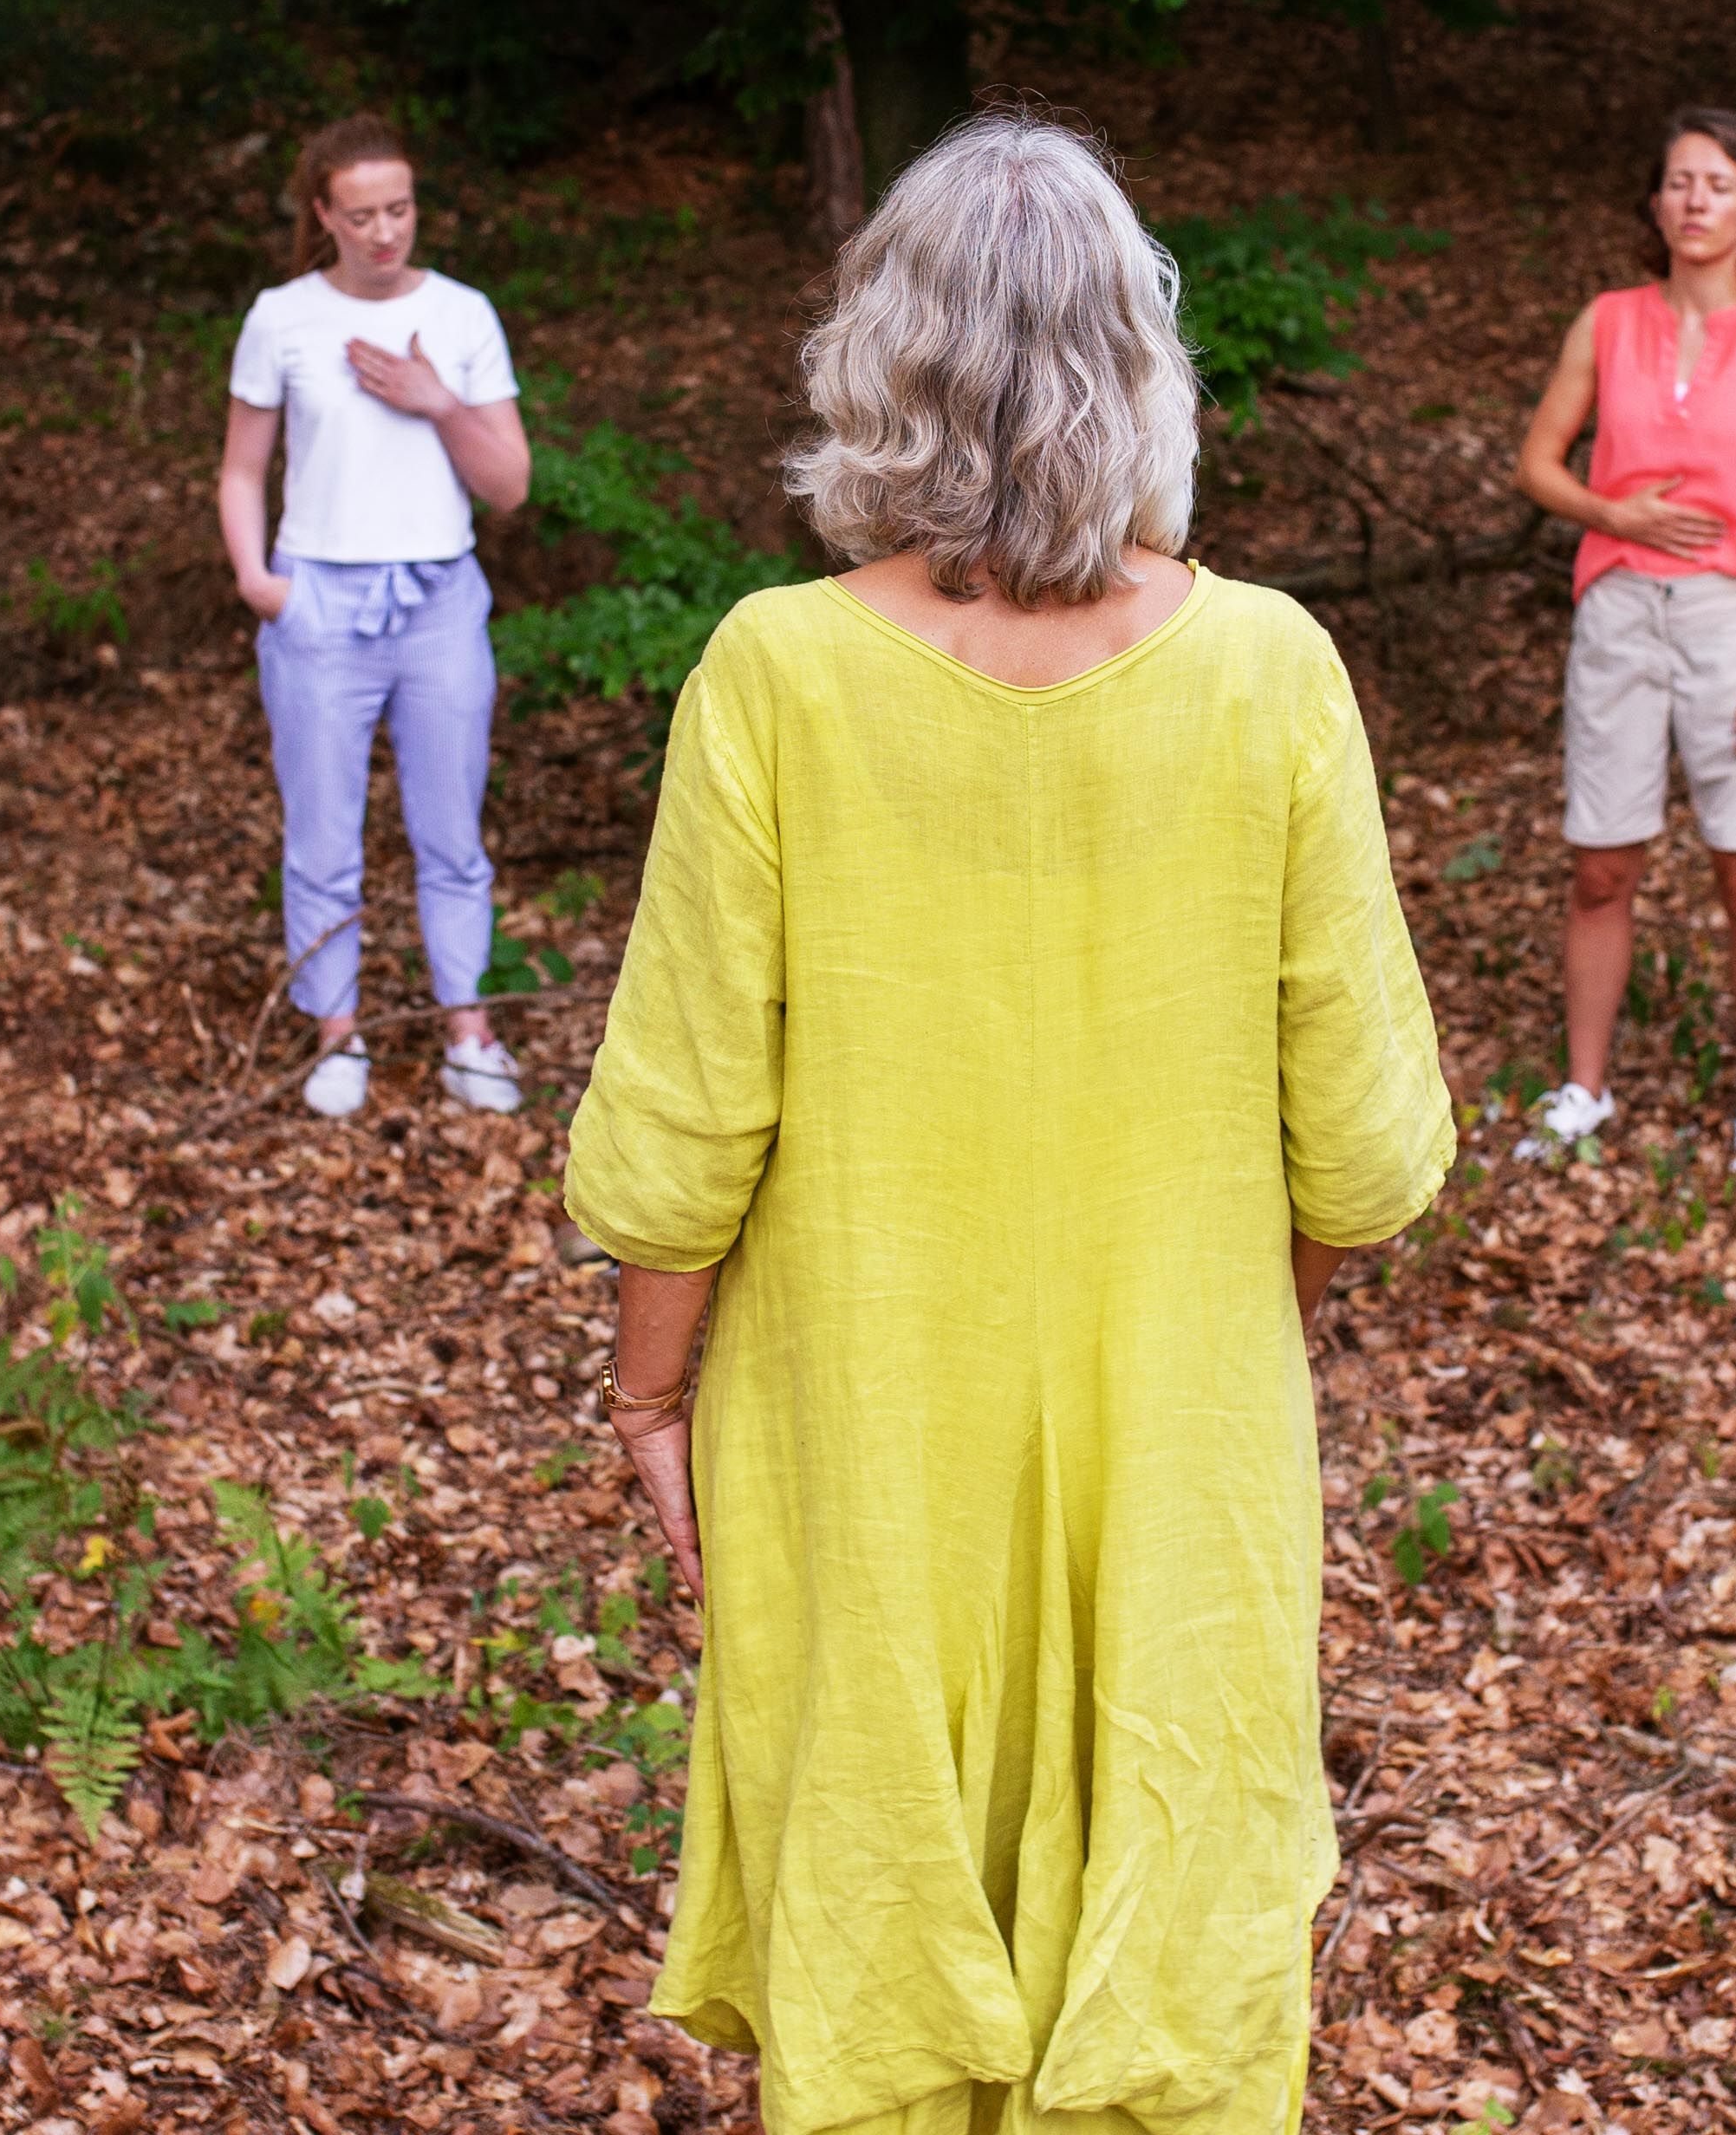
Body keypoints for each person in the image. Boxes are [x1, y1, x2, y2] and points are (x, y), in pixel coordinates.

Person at [567, 113, 1453, 2135]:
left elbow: (683, 1118)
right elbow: (1371, 1145)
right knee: (1177, 1874)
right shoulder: (1266, 672)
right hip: (1181, 1402)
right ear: (1141, 360)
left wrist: (646, 1391)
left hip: (857, 1401)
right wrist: (1248, 1307)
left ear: (884, 361)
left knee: (883, 1882)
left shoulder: (774, 672)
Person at [1509, 106, 1736, 1177]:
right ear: (1655, 205)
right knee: (1601, 865)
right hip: (1620, 612)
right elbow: (1540, 464)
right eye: (1678, 182)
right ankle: (1585, 1089)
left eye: (1717, 184)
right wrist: (1619, 515)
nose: (1695, 201)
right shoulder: (1606, 321)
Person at [216, 114, 534, 1119]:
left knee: (452, 834)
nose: (386, 232)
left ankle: (468, 1031)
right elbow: (239, 469)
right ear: (324, 214)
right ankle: (336, 1035)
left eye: (399, 208)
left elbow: (511, 486)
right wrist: (259, 582)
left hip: (439, 601)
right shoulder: (282, 318)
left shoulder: (463, 314)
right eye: (362, 215)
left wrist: (439, 402)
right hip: (319, 603)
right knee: (322, 838)